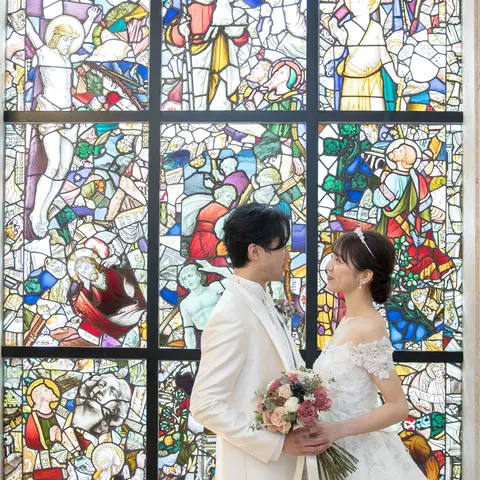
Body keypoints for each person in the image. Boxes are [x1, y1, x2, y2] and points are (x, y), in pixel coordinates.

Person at [190, 203, 327, 480]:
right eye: (281, 247)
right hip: (255, 469)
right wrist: (278, 444)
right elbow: (205, 405)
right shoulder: (231, 314)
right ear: (255, 252)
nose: (287, 255)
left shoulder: (261, 299)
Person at [311, 229, 426, 478]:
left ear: (365, 275)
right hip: (332, 448)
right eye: (332, 258)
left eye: (339, 261)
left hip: (355, 453)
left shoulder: (369, 327)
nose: (329, 267)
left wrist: (337, 430)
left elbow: (397, 406)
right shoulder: (348, 321)